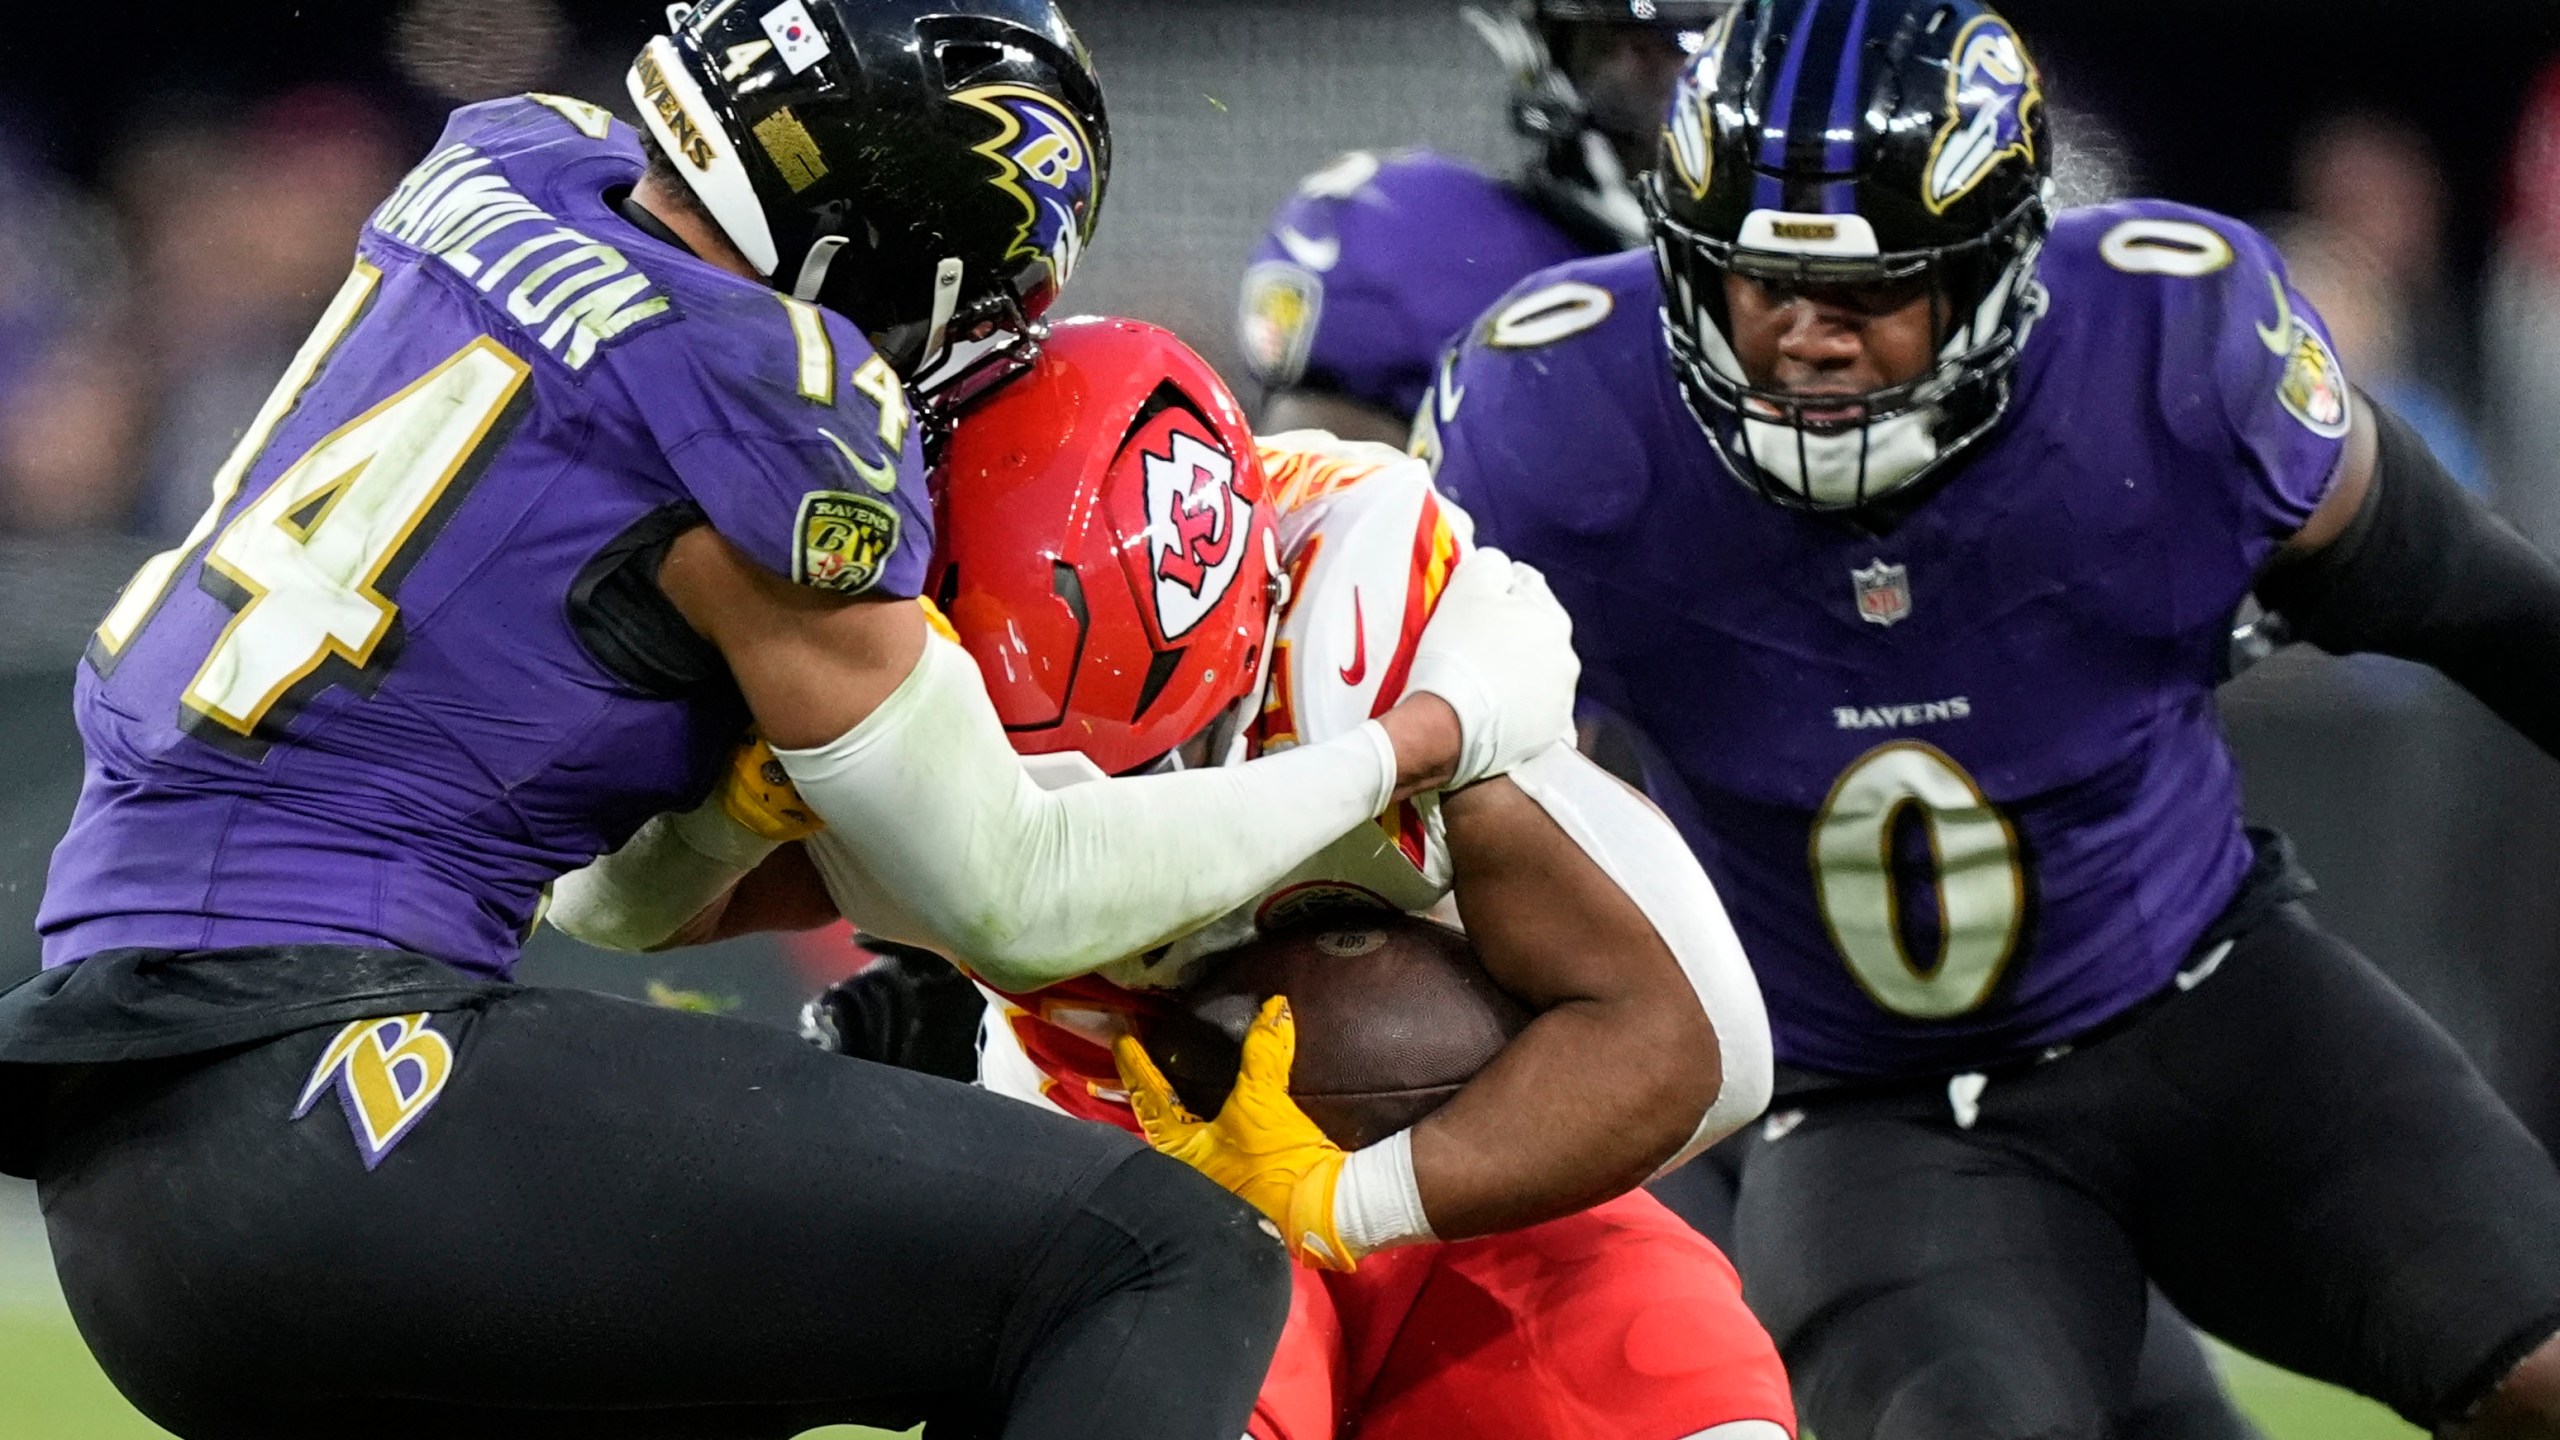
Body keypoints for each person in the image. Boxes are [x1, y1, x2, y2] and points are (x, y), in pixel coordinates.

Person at [0, 2, 1580, 1436]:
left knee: (904, 1300)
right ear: (911, 237)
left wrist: (745, 807)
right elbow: (1023, 899)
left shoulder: (509, 160)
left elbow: (610, 895)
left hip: (151, 1154)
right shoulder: (769, 397)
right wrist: (1419, 740)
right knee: (1155, 1259)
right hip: (336, 1093)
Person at [1417, 2, 2560, 1437]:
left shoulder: (2169, 349)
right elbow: (1468, 836)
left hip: (2221, 1010)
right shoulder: (1556, 425)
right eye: (1757, 284)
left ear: (1992, 272)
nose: (1802, 344)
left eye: (1866, 294)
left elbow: (2484, 610)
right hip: (1873, 1121)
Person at [612, 316, 1794, 1440]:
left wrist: (1352, 1199)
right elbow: (624, 910)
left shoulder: (1396, 629)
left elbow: (1701, 1044)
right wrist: (729, 821)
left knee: (1691, 1399)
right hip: (1120, 1167)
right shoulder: (872, 663)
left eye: (1148, 761)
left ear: (1247, 621)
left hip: (1460, 1172)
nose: (1114, 827)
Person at [1239, 0, 1724, 445]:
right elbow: (1310, 513)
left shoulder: (1787, 286)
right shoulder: (1420, 240)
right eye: (1625, 50)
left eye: (1699, 50)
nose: (1673, 94)